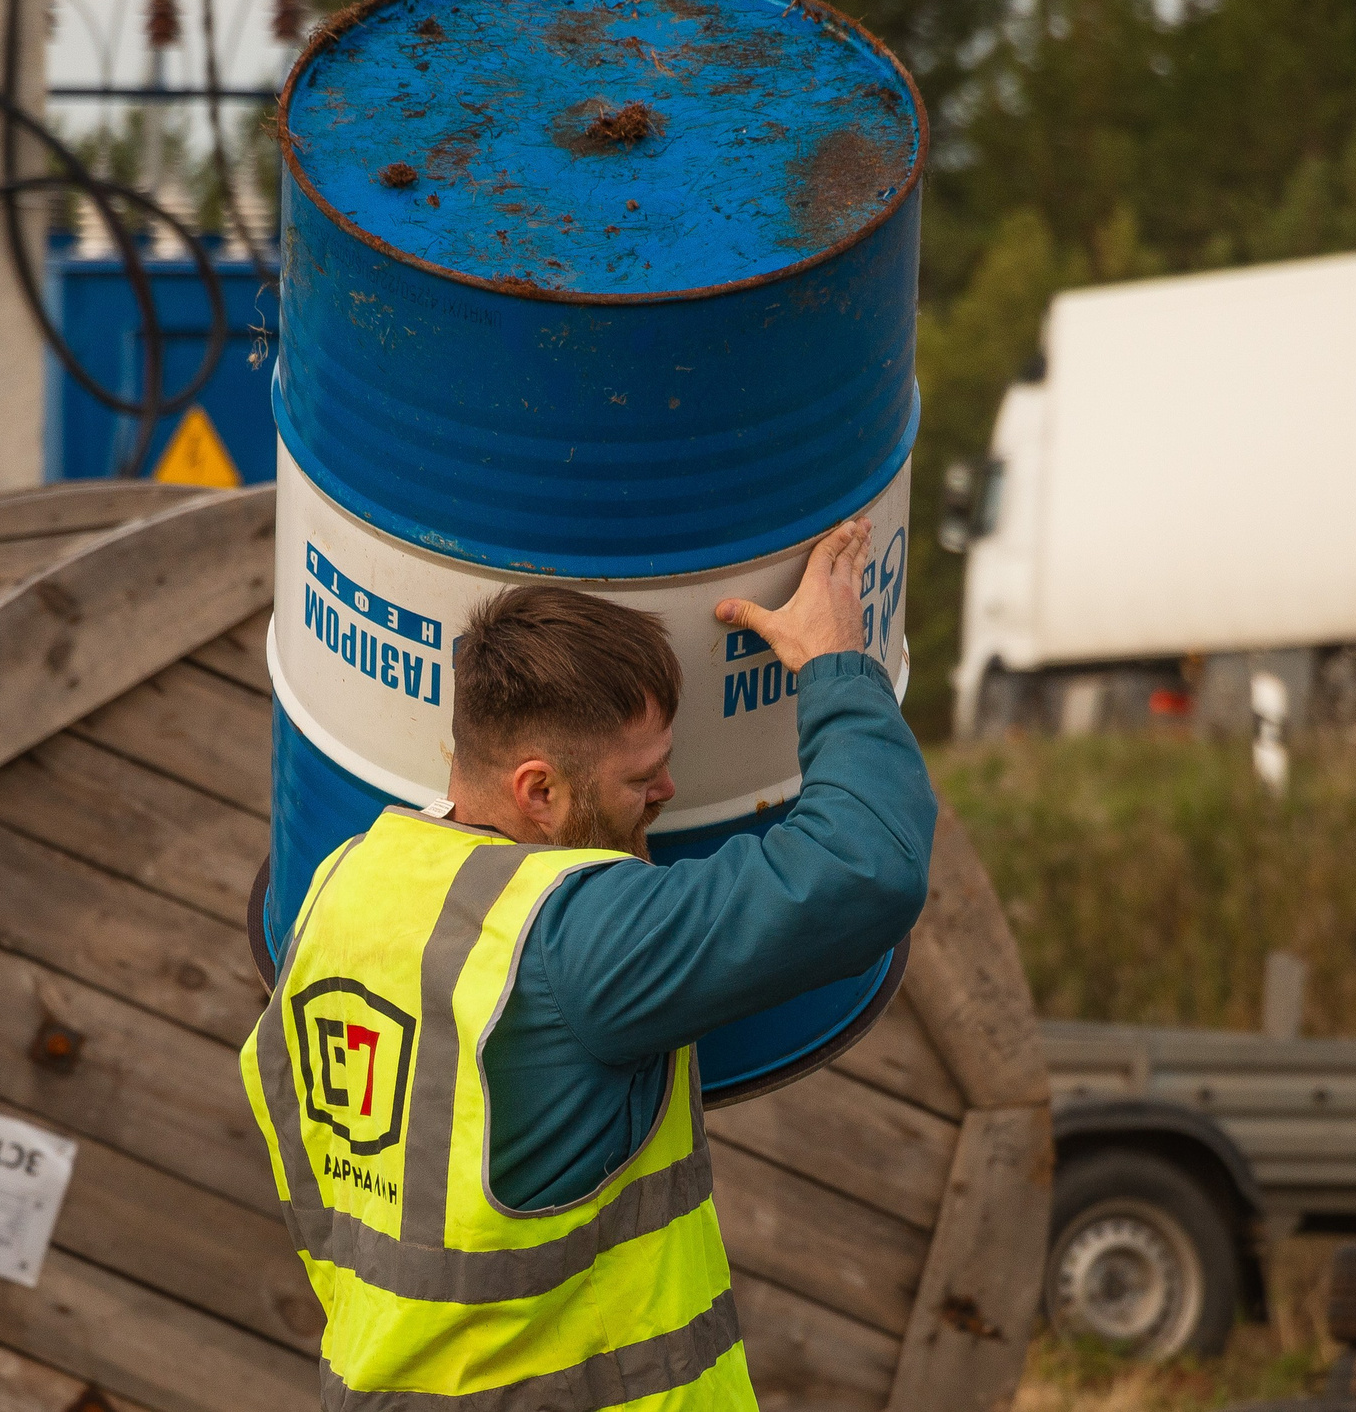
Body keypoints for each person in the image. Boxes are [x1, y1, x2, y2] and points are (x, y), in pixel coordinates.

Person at [240, 516, 937, 1412]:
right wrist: (838, 666)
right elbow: (865, 866)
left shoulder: (340, 886)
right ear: (539, 789)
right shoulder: (572, 945)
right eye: (640, 777)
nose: (669, 794)